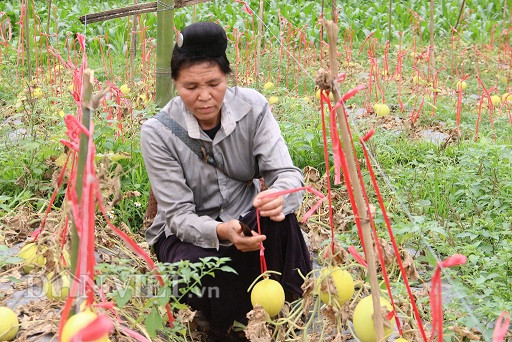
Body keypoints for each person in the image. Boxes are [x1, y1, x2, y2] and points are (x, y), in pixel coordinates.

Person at [141, 21, 311, 340]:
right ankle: (225, 323)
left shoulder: (253, 107)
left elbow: (286, 176)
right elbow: (177, 217)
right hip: (188, 237)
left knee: (280, 218)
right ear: (175, 83)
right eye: (191, 87)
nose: (204, 97)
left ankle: (285, 309)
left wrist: (278, 196)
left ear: (227, 78)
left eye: (214, 84)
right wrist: (222, 232)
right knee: (202, 272)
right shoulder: (158, 132)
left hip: (244, 218)